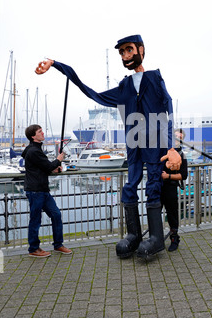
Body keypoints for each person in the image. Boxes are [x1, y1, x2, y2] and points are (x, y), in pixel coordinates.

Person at [34, 35, 181, 259]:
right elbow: (92, 92)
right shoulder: (125, 87)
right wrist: (57, 66)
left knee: (153, 184)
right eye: (122, 52)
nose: (125, 55)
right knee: (130, 186)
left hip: (154, 143)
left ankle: (157, 238)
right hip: (133, 144)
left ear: (141, 49)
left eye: (129, 50)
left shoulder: (154, 79)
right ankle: (134, 235)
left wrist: (171, 147)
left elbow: (167, 110)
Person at [22, 124, 72, 257]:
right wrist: (58, 160)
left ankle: (58, 245)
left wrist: (53, 169)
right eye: (40, 131)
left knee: (56, 214)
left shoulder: (34, 150)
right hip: (35, 190)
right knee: (35, 219)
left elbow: (42, 167)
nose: (43, 133)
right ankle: (33, 248)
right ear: (33, 136)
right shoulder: (33, 151)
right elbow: (48, 165)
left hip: (42, 190)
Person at [161, 128, 188, 251]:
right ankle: (155, 238)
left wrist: (168, 176)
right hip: (158, 187)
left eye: (179, 138)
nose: (177, 139)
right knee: (154, 212)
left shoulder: (182, 155)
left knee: (172, 214)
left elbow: (184, 175)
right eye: (175, 136)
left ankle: (174, 238)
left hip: (170, 187)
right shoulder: (162, 151)